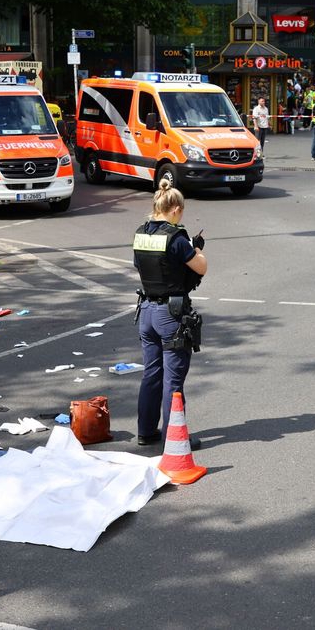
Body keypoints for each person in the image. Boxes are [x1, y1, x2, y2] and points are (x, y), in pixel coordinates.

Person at [133, 180, 208, 448]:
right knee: (173, 379)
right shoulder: (176, 238)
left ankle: (145, 431)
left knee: (151, 373)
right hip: (170, 313)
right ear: (175, 209)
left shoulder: (141, 233)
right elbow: (200, 268)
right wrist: (196, 248)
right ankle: (173, 438)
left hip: (146, 312)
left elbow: (141, 265)